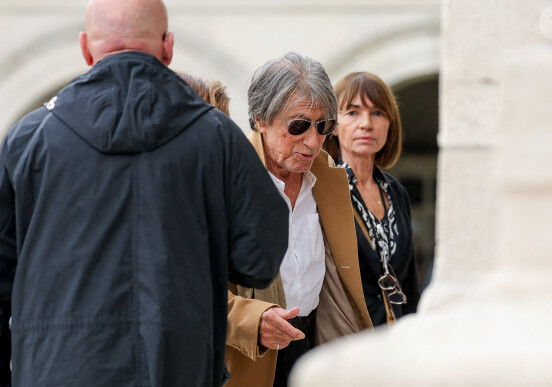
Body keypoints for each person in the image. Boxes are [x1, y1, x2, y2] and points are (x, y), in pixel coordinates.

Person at [0, 0, 289, 386]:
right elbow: (259, 258)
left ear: (86, 47)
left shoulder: (29, 139)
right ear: (167, 46)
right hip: (175, 367)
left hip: (58, 370)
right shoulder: (218, 138)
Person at [225, 52, 374, 387]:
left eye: (324, 126)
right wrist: (253, 320)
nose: (313, 141)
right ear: (260, 119)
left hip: (317, 347)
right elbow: (188, 286)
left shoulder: (332, 182)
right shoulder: (225, 181)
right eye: (298, 126)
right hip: (248, 355)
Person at [323, 71, 420, 326]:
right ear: (333, 125)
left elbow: (409, 283)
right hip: (344, 342)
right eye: (352, 113)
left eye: (377, 112)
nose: (366, 123)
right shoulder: (322, 190)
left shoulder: (395, 192)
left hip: (395, 343)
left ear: (390, 123)